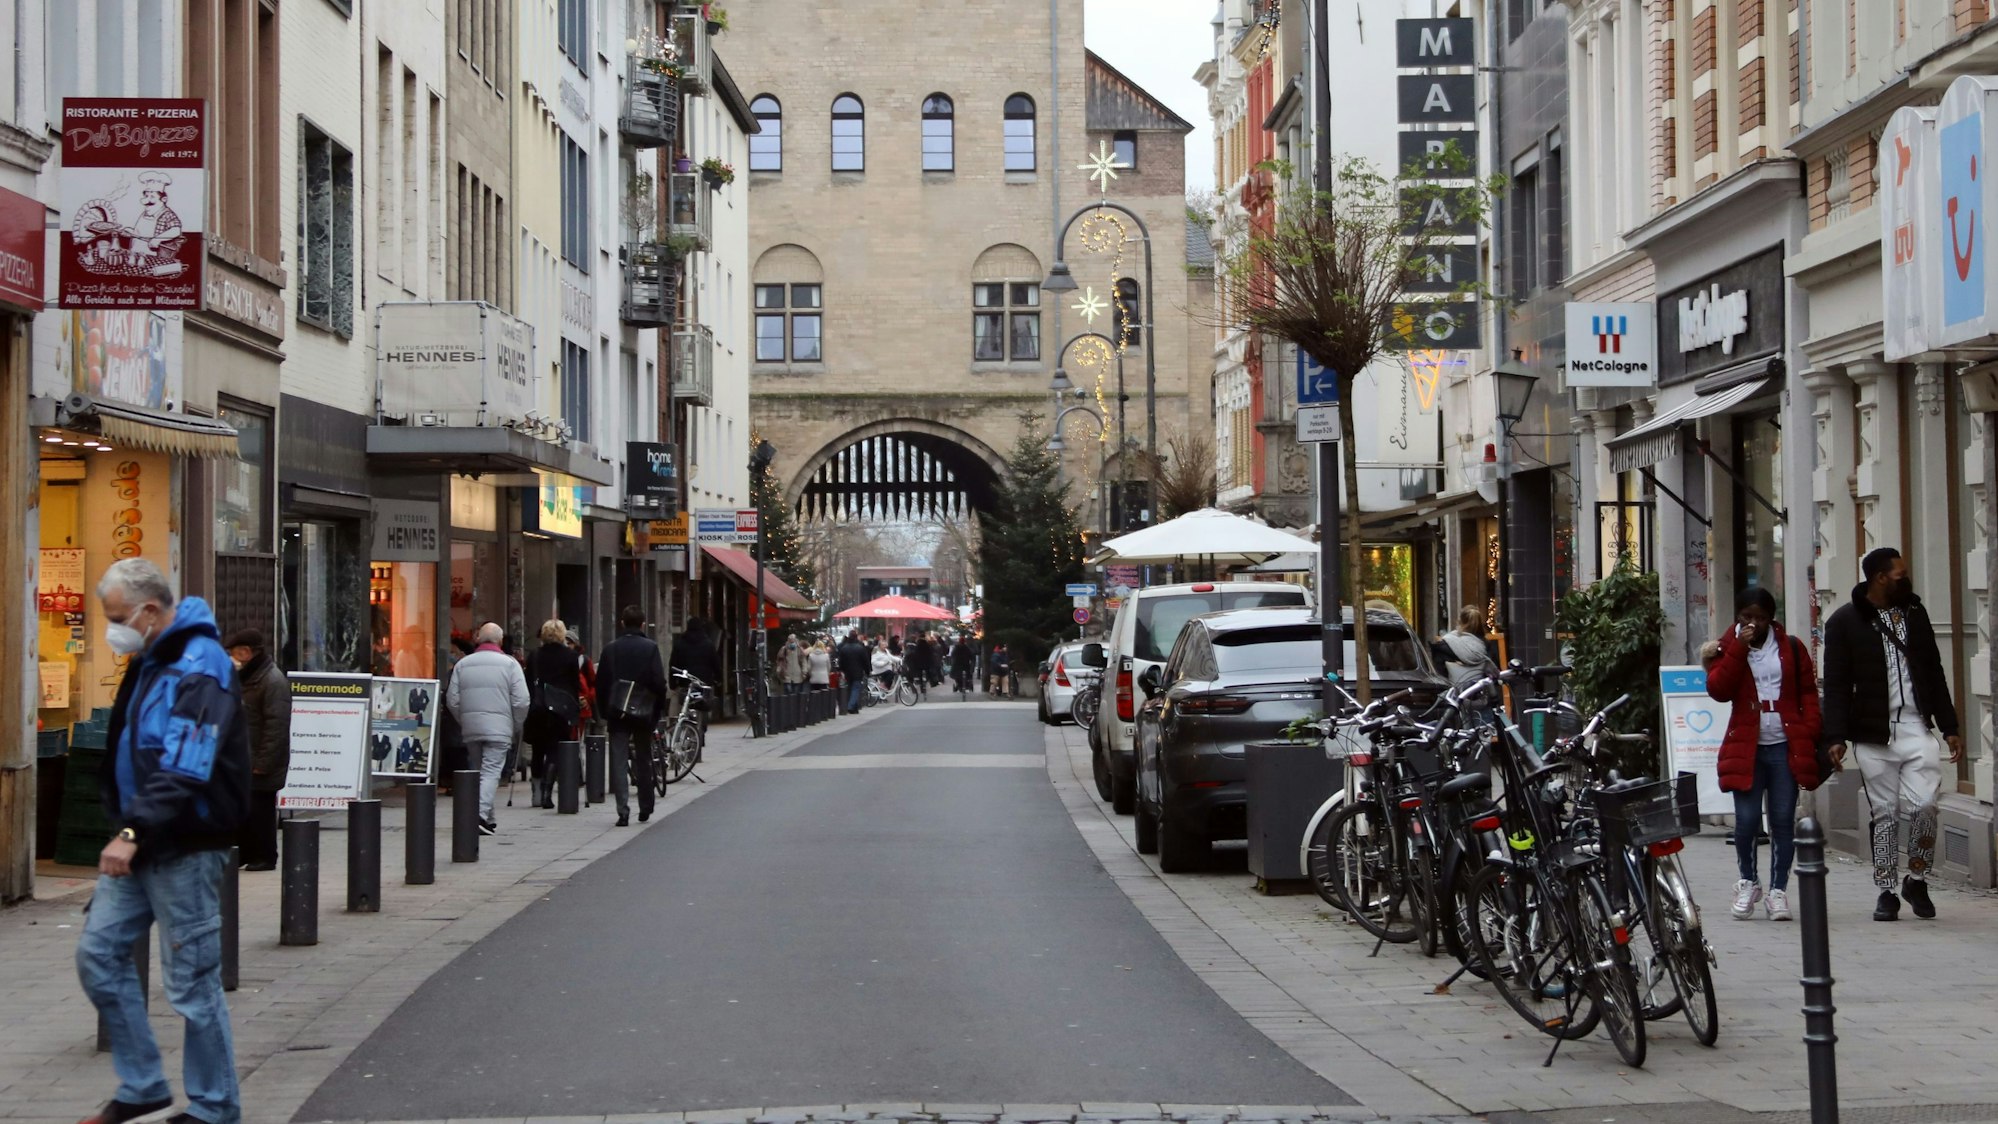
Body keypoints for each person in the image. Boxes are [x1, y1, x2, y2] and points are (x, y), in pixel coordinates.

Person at [76, 558, 249, 1124]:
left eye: (119, 617)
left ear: (151, 611)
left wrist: (132, 831)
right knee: (99, 954)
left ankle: (214, 1107)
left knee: (192, 984)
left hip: (185, 843)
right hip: (145, 836)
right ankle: (144, 1084)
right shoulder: (154, 657)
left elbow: (186, 763)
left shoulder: (199, 667)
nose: (113, 628)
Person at [1821, 546, 1964, 921]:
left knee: (1925, 807)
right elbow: (1835, 684)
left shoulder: (1915, 615)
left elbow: (1934, 671)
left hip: (1917, 726)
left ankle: (1916, 878)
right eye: (1899, 574)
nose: (1906, 578)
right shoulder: (1843, 622)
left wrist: (1949, 726)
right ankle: (1885, 889)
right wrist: (1835, 736)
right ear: (1880, 577)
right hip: (1872, 735)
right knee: (1884, 813)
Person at [1701, 587, 1824, 922]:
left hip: (1784, 744)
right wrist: (1739, 647)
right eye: (1746, 617)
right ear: (1737, 618)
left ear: (1771, 619)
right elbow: (1719, 690)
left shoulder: (1792, 648)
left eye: (1759, 617)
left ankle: (1778, 890)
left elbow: (1808, 692)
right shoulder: (1726, 648)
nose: (1753, 623)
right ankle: (1748, 881)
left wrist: (1810, 729)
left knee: (1783, 819)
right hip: (1747, 745)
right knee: (1747, 820)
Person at [445, 622, 530, 835]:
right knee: (491, 772)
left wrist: (465, 720)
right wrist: (515, 724)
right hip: (500, 728)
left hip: (472, 728)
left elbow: (452, 700)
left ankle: (489, 818)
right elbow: (522, 701)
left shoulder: (463, 664)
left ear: (477, 639)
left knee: (480, 771)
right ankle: (480, 815)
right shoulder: (510, 665)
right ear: (500, 641)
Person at [223, 628, 290, 873]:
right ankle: (243, 853)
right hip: (243, 756)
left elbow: (277, 725)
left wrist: (264, 761)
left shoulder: (271, 680)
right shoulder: (247, 678)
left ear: (247, 652)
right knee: (243, 808)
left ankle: (264, 856)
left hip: (261, 759)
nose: (232, 658)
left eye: (234, 653)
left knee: (260, 811)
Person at [597, 606, 668, 826]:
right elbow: (658, 682)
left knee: (618, 761)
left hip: (617, 712)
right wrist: (657, 707)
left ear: (622, 624)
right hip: (643, 712)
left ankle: (623, 811)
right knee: (644, 758)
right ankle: (645, 806)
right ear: (643, 624)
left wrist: (605, 711)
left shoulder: (610, 649)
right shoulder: (650, 648)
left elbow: (601, 684)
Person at [524, 619, 583, 809]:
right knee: (554, 750)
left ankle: (536, 792)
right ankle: (547, 792)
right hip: (560, 709)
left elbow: (528, 681)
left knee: (538, 749)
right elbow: (574, 684)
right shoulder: (570, 656)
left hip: (538, 707)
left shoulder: (534, 655)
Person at [1434, 605, 1499, 691]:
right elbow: (1495, 674)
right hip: (1480, 695)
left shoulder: (1445, 645)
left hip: (1453, 696)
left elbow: (1439, 674)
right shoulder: (1485, 646)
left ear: (1459, 621)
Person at [836, 630, 871, 713]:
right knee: (856, 689)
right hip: (858, 671)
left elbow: (841, 661)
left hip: (847, 671)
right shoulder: (860, 648)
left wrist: (841, 670)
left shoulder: (844, 648)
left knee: (849, 688)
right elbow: (865, 661)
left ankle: (854, 708)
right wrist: (868, 671)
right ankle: (851, 706)